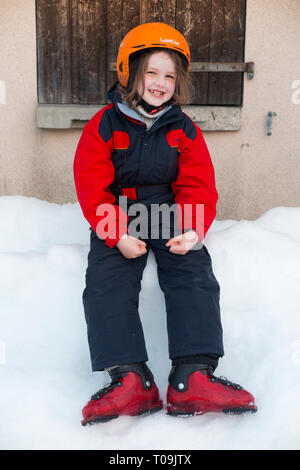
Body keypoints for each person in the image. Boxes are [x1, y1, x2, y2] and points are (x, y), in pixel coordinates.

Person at [73, 22, 257, 426]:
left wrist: (192, 228)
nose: (160, 82)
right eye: (152, 72)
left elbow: (197, 183)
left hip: (169, 212)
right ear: (130, 73)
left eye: (170, 75)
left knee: (192, 271)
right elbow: (92, 186)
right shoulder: (104, 124)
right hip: (119, 213)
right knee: (107, 280)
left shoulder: (183, 128)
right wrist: (116, 234)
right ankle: (129, 378)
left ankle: (192, 376)